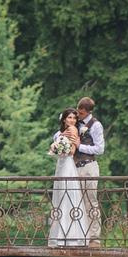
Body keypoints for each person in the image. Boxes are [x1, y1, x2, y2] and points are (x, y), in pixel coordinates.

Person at [48, 108, 90, 247]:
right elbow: (52, 147)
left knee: (69, 196)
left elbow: (72, 150)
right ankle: (59, 234)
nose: (72, 120)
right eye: (69, 117)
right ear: (64, 119)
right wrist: (55, 146)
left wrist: (63, 147)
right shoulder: (60, 132)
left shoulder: (73, 131)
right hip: (60, 166)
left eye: (74, 118)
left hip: (68, 165)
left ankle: (71, 236)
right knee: (60, 197)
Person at [75, 97, 105, 246]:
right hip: (75, 168)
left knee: (91, 201)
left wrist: (80, 147)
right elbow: (58, 132)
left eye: (81, 113)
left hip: (89, 166)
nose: (78, 115)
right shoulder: (76, 122)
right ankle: (81, 236)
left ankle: (94, 238)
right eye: (78, 112)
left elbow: (100, 149)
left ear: (88, 112)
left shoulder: (96, 125)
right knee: (76, 202)